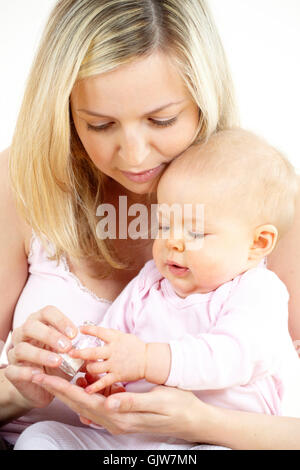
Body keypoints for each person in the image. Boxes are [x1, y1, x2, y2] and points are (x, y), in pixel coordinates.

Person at [1, 0, 300, 451]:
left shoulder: (260, 203)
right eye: (100, 125)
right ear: (65, 115)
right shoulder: (21, 182)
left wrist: (204, 424)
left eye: (162, 119)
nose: (135, 156)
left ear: (203, 100)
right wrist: (19, 387)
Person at [13, 128, 299, 450]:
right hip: (133, 437)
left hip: (209, 439)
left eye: (196, 233)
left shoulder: (258, 290)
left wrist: (148, 360)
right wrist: (82, 366)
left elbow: (230, 354)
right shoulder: (151, 281)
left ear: (257, 243)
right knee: (41, 438)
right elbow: (109, 336)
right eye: (164, 225)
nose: (172, 242)